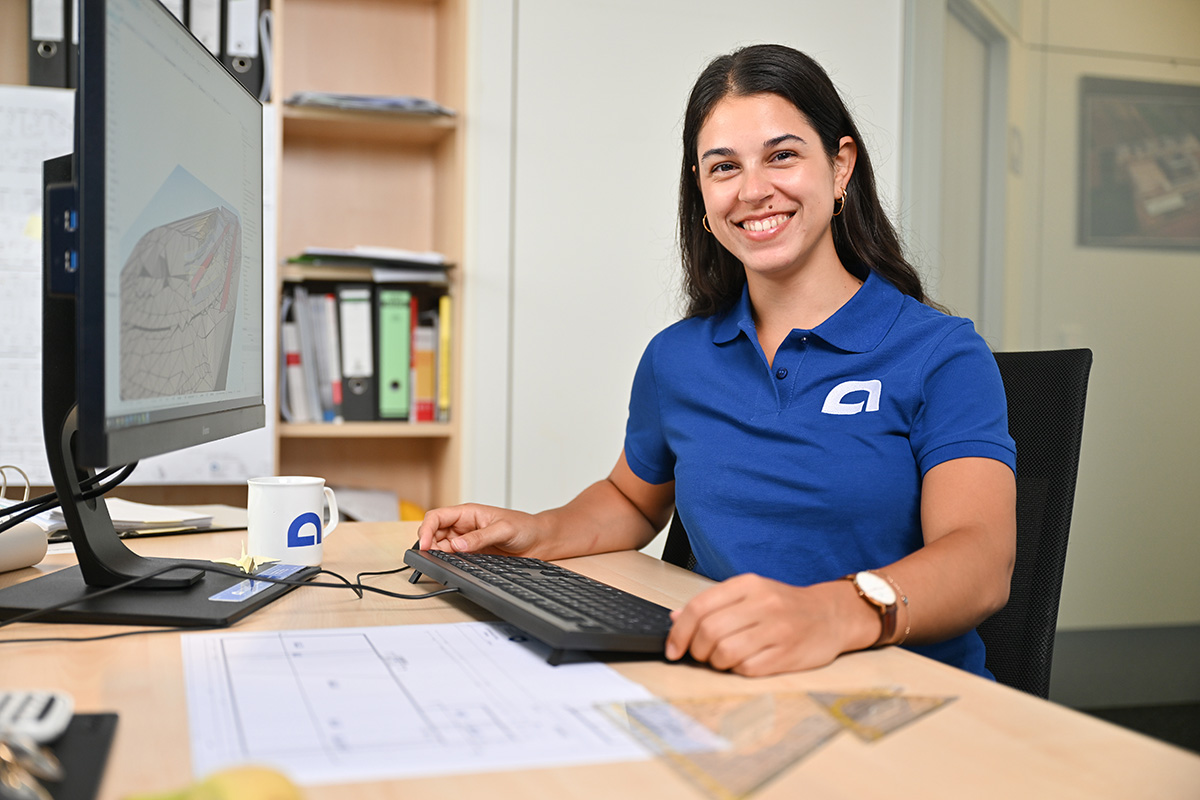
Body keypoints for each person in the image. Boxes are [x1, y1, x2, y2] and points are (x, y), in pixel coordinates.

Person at [417, 44, 1017, 679]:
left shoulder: (942, 353)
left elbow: (981, 560)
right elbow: (631, 500)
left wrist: (830, 614)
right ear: (701, 194)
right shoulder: (676, 357)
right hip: (735, 680)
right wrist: (536, 532)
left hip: (905, 694)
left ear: (840, 166)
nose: (754, 191)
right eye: (724, 167)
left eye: (782, 155)